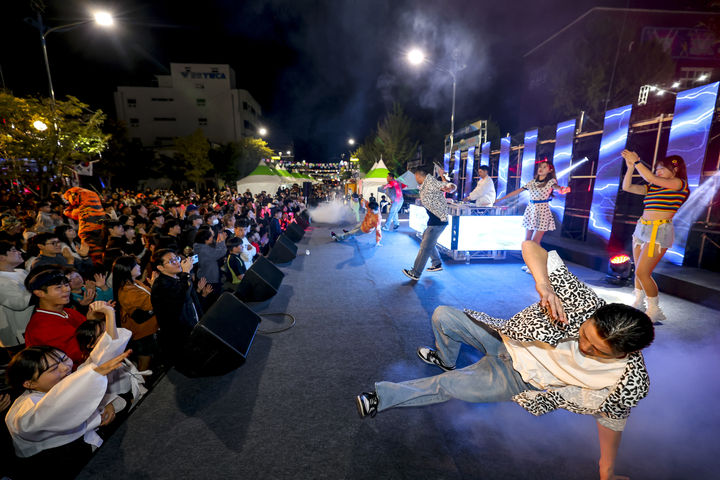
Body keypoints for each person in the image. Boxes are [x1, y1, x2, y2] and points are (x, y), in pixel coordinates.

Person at [356, 241, 654, 480]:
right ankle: (446, 358)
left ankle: (382, 398)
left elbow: (612, 420)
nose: (584, 345)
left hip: (517, 378)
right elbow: (531, 248)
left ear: (624, 354)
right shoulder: (585, 301)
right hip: (507, 338)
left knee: (450, 386)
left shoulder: (628, 381)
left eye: (597, 350)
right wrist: (545, 285)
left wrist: (607, 471)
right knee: (443, 315)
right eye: (586, 334)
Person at [4, 302, 130, 479]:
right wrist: (94, 375)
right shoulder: (23, 408)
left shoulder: (69, 378)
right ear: (29, 384)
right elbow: (49, 413)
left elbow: (102, 355)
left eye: (64, 359)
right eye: (53, 369)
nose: (65, 368)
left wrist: (106, 402)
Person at [621, 150, 689, 323]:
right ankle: (638, 302)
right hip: (642, 228)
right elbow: (627, 187)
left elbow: (650, 177)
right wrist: (630, 168)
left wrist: (637, 162)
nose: (658, 171)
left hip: (658, 232)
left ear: (674, 170)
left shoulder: (679, 183)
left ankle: (654, 309)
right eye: (657, 168)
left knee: (643, 272)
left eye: (662, 169)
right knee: (638, 270)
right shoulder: (652, 186)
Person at [150, 249, 207, 369]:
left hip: (192, 322)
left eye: (176, 258)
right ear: (160, 268)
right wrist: (186, 273)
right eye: (171, 261)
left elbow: (191, 299)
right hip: (180, 332)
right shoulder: (161, 284)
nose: (177, 262)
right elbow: (181, 297)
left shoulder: (179, 277)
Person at [494, 159, 571, 245]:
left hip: (542, 211)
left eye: (544, 167)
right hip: (531, 210)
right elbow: (517, 191)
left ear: (550, 170)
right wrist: (501, 199)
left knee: (535, 242)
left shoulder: (550, 182)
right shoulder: (532, 182)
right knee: (527, 241)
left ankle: (539, 258)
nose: (541, 169)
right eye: (540, 167)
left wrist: (563, 189)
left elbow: (558, 188)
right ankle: (528, 257)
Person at [402, 165, 456, 280]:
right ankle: (436, 263)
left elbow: (446, 186)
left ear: (418, 175)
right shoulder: (426, 184)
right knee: (426, 240)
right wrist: (442, 176)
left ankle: (415, 273)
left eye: (414, 176)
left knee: (425, 247)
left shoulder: (430, 181)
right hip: (435, 220)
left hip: (437, 220)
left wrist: (449, 186)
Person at [112, 255, 158, 371]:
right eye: (135, 265)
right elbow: (140, 317)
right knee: (144, 365)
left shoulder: (135, 282)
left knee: (149, 362)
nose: (139, 266)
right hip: (142, 334)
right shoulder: (126, 291)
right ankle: (140, 388)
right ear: (127, 270)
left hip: (148, 330)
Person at [0, 241, 32, 349]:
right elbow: (20, 303)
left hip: (32, 326)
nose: (19, 252)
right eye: (14, 250)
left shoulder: (21, 271)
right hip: (18, 334)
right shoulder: (1, 280)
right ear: (1, 257)